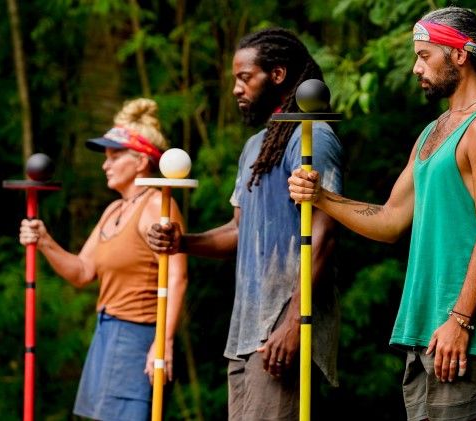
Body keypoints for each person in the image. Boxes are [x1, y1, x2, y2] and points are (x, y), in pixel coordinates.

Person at [288, 6, 476, 420]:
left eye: (424, 55)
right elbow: (390, 220)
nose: (416, 67)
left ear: (460, 55)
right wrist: (322, 197)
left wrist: (461, 320)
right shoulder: (434, 131)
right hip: (426, 336)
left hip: (469, 337)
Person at [146, 28, 343, 420]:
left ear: (278, 74)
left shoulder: (313, 137)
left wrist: (294, 323)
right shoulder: (256, 144)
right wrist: (182, 242)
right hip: (246, 335)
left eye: (244, 77)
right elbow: (238, 231)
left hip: (284, 331)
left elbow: (324, 237)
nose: (236, 89)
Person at [19, 98, 187, 420]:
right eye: (105, 157)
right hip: (106, 331)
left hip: (139, 337)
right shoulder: (114, 210)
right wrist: (44, 241)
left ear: (140, 161)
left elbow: (177, 276)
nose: (104, 165)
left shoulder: (156, 206)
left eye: (114, 156)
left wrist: (162, 344)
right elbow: (82, 272)